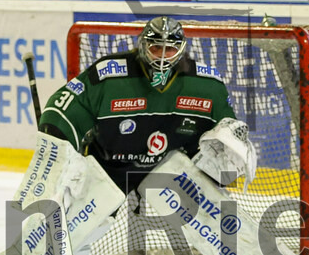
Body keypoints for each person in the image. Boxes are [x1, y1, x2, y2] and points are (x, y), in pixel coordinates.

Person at [38, 17, 242, 194]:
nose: (162, 56)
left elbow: (227, 128)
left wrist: (229, 156)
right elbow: (65, 108)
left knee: (215, 220)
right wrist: (55, 147)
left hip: (176, 172)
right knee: (72, 219)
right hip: (109, 168)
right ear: (143, 46)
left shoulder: (207, 85)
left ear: (180, 50)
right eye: (156, 48)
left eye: (170, 49)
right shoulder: (109, 75)